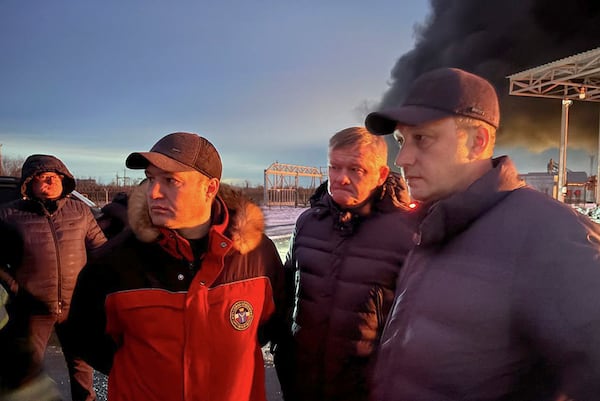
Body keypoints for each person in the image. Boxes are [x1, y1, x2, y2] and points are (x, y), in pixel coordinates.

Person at [364, 67, 600, 400]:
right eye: (401, 141)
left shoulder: (554, 239)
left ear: (478, 142)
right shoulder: (435, 226)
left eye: (422, 139)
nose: (403, 157)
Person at [68, 132, 285, 401]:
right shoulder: (113, 262)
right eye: (151, 179)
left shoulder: (258, 254)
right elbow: (88, 341)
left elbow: (267, 329)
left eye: (170, 180)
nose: (154, 192)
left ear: (210, 188)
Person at [274, 127, 418, 401]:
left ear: (381, 175)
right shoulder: (307, 223)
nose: (340, 178)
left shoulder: (407, 234)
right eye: (334, 167)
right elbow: (286, 297)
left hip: (366, 391)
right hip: (303, 385)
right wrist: (285, 356)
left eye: (356, 169)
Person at [0, 155, 107, 401]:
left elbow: (101, 251)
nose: (49, 183)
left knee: (82, 369)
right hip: (32, 308)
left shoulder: (80, 211)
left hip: (75, 308)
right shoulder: (9, 215)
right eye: (41, 178)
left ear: (64, 179)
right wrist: (15, 287)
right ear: (29, 183)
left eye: (54, 177)